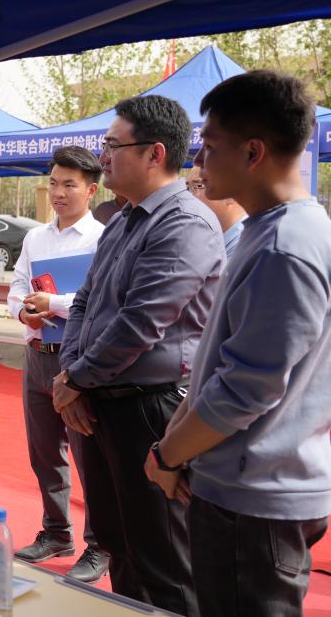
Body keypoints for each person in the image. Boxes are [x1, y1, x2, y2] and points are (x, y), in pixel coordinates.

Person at [145, 71, 331, 617]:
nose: (199, 161)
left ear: (253, 152)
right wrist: (173, 448)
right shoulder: (271, 231)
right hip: (250, 483)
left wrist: (168, 455)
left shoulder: (284, 247)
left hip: (256, 498)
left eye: (209, 145)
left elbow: (245, 389)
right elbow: (220, 367)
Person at [50, 95, 224, 616]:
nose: (103, 156)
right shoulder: (124, 221)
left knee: (163, 560)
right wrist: (72, 375)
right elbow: (85, 302)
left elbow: (141, 323)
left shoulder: (184, 223)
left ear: (154, 153)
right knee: (118, 544)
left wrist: (75, 380)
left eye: (112, 144)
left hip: (151, 409)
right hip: (101, 403)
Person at [6, 147, 108, 583]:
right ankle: (55, 531)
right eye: (53, 183)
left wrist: (55, 303)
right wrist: (24, 312)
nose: (59, 193)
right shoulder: (35, 238)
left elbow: (101, 300)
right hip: (37, 356)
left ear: (91, 189)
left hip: (78, 359)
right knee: (45, 452)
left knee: (90, 457)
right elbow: (16, 286)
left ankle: (100, 544)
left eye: (69, 184)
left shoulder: (102, 238)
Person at [185, 165, 247, 258]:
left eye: (198, 186)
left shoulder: (246, 247)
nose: (188, 196)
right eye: (187, 188)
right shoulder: (213, 239)